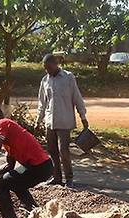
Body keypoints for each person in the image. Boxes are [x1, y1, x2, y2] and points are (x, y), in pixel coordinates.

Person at [0, 105, 53, 218]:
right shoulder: (9, 134)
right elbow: (9, 166)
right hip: (42, 166)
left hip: (38, 166)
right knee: (15, 182)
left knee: (0, 185)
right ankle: (35, 213)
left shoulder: (2, 123)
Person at [35, 53, 88, 188]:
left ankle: (69, 178)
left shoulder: (68, 78)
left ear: (55, 64)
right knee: (52, 151)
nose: (47, 70)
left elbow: (77, 97)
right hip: (50, 121)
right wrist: (38, 120)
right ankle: (57, 177)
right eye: (45, 68)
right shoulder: (45, 80)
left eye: (49, 67)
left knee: (63, 151)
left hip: (64, 121)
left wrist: (82, 116)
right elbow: (42, 102)